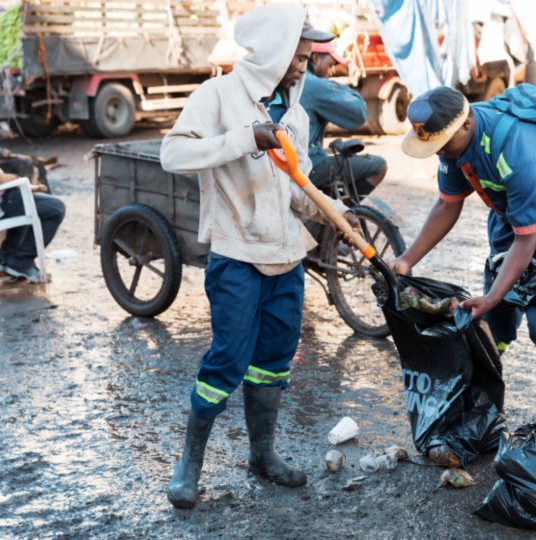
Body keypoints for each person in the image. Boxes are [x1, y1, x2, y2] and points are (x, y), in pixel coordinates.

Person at [159, 5, 358, 509]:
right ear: (273, 46)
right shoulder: (219, 96)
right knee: (228, 357)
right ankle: (190, 465)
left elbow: (298, 187)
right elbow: (173, 154)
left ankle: (262, 454)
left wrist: (335, 213)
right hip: (237, 256)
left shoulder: (294, 110)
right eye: (299, 48)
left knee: (272, 360)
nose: (306, 58)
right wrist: (245, 138)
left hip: (287, 256)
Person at [392, 86, 536, 461]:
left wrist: (491, 295)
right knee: (493, 321)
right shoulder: (453, 144)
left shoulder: (520, 148)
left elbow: (527, 241)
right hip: (511, 213)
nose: (438, 151)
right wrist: (407, 260)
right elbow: (446, 203)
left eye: (442, 143)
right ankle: (481, 419)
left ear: (467, 123)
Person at [301, 40, 387, 199]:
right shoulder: (316, 85)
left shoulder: (293, 79)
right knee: (378, 166)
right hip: (307, 164)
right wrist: (340, 87)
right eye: (330, 65)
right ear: (315, 59)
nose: (330, 72)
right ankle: (340, 217)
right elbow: (358, 115)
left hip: (292, 162)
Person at [0, 156, 65, 283]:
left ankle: (5, 261)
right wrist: (16, 179)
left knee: (22, 201)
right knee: (55, 208)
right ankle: (20, 261)